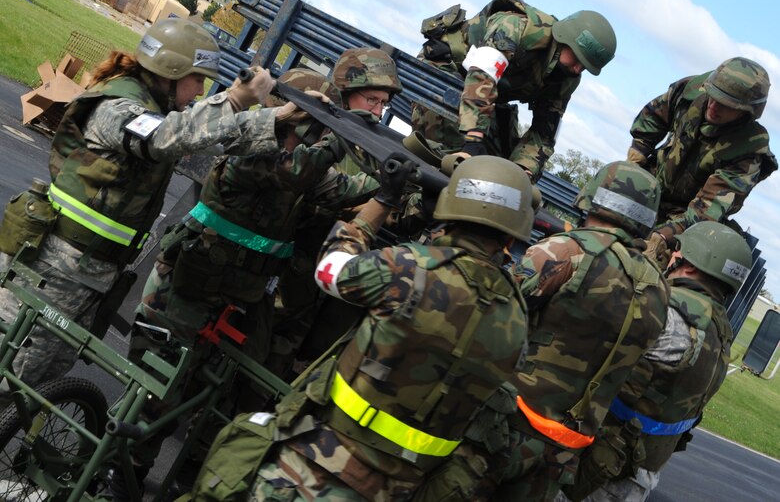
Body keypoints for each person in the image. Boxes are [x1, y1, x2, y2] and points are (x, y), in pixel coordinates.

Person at [112, 67, 377, 499]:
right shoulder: (249, 152)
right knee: (157, 388)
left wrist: (394, 179)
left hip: (235, 300)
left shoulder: (306, 172)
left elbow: (344, 188)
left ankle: (187, 475)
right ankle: (121, 467)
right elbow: (292, 171)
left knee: (207, 395)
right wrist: (341, 135)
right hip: (184, 290)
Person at [0, 17, 283, 404]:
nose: (201, 91)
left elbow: (211, 137)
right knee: (11, 375)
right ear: (170, 71)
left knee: (34, 390)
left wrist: (280, 119)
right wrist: (233, 99)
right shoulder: (117, 107)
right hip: (52, 268)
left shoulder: (155, 109)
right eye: (196, 79)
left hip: (90, 273)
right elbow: (162, 138)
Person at [240, 154, 535, 500]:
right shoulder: (516, 316)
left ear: (448, 210)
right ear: (512, 239)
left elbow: (330, 270)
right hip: (401, 490)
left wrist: (382, 202)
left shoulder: (410, 267)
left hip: (315, 468)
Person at [488, 161, 669, 502]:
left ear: (592, 198)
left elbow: (492, 307)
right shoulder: (658, 289)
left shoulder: (565, 250)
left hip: (506, 423)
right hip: (565, 448)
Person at [560, 221, 752, 502]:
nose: (671, 256)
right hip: (640, 471)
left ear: (692, 263)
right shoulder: (719, 329)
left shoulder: (667, 310)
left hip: (596, 467)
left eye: (676, 251)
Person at [265, 47, 404, 381]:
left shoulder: (361, 142)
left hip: (311, 276)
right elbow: (325, 186)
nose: (378, 110)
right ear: (346, 93)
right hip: (277, 268)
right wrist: (387, 185)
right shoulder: (312, 126)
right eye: (372, 100)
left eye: (383, 104)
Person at [413, 0, 616, 182]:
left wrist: (523, 171)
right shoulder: (515, 27)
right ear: (565, 40)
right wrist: (473, 140)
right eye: (578, 58)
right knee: (453, 146)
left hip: (485, 96)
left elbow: (544, 131)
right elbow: (482, 78)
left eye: (585, 67)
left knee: (500, 166)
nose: (578, 68)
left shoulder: (568, 77)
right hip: (445, 68)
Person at [627, 57, 776, 263]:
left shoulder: (749, 152)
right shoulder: (691, 91)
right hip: (651, 185)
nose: (713, 106)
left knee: (652, 264)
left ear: (746, 112)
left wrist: (662, 237)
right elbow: (653, 117)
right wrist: (636, 161)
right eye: (713, 96)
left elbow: (704, 212)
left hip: (688, 219)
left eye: (726, 104)